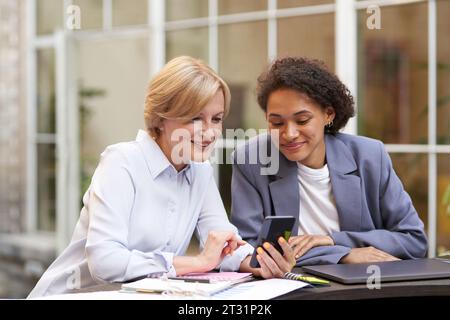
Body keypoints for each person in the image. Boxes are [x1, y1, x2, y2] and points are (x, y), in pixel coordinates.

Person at [28, 56, 260, 298]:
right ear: (161, 118)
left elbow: (224, 243)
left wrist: (257, 262)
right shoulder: (121, 162)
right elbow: (105, 262)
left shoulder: (200, 171)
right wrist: (197, 263)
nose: (210, 132)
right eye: (194, 118)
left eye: (217, 119)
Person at [233, 57, 428, 271]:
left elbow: (414, 240)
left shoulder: (369, 156)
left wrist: (333, 239)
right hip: (294, 286)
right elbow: (251, 250)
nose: (289, 134)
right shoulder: (252, 159)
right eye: (277, 123)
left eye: (302, 120)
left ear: (328, 114)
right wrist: (343, 254)